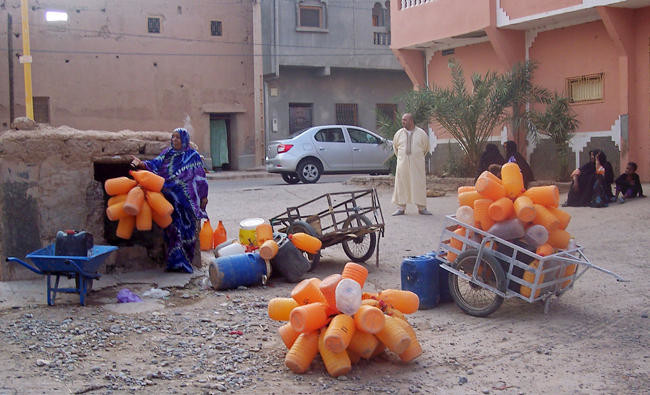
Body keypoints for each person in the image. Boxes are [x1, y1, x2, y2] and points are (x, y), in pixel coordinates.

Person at [131, 128, 209, 273]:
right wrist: (141, 164)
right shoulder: (167, 154)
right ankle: (175, 263)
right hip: (170, 200)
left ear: (184, 140)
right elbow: (154, 164)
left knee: (188, 232)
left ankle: (187, 263)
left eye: (178, 138)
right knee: (173, 230)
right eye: (173, 137)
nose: (174, 140)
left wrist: (204, 196)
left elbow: (201, 178)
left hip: (188, 202)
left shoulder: (192, 156)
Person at [391, 113, 431, 216]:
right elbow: (395, 148)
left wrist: (415, 157)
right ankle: (401, 208)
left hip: (417, 166)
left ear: (411, 121)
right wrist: (403, 158)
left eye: (405, 120)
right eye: (402, 120)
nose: (402, 122)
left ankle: (422, 208)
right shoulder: (398, 134)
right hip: (402, 165)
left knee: (419, 185)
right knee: (401, 185)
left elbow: (426, 148)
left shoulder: (421, 134)